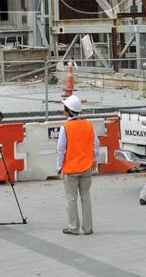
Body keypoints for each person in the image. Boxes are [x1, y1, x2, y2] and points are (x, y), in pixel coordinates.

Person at [56, 95, 99, 236]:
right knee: (86, 198)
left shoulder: (66, 127)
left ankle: (73, 227)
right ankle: (88, 228)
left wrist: (58, 166)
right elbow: (96, 144)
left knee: (71, 199)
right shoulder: (88, 125)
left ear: (68, 111)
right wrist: (94, 160)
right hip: (86, 168)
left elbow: (61, 149)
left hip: (70, 170)